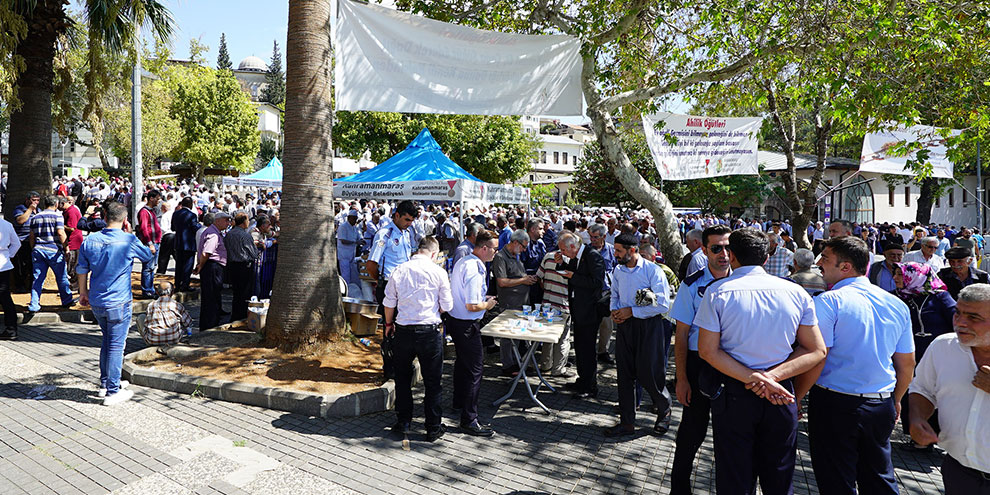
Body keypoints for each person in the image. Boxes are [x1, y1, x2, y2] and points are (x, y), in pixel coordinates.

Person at [695, 228, 826, 495]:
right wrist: (773, 378)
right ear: (767, 258)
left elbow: (708, 351)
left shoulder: (719, 292)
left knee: (735, 479)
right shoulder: (795, 292)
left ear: (731, 256)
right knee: (779, 477)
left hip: (735, 393)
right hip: (780, 393)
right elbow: (816, 350)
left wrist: (756, 379)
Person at [794, 236, 915, 495]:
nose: (819, 264)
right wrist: (896, 398)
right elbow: (906, 363)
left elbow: (818, 356)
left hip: (835, 404)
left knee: (836, 479)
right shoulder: (896, 304)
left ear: (845, 266)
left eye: (825, 259)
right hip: (879, 402)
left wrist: (797, 397)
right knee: (879, 478)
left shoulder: (828, 301)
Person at [909, 284, 990, 495]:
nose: (960, 322)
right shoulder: (943, 347)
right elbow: (922, 389)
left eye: (973, 317)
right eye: (958, 313)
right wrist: (917, 419)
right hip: (959, 474)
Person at [669, 224, 731, 495]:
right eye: (716, 248)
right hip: (698, 364)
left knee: (729, 436)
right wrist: (681, 378)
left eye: (728, 247)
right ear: (704, 250)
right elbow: (681, 335)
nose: (724, 254)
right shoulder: (692, 284)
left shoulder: (741, 282)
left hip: (731, 365)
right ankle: (679, 488)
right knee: (691, 433)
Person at [77, 202, 154, 405]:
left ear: (104, 216)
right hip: (118, 301)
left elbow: (81, 268)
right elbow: (147, 256)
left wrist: (82, 292)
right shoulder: (128, 239)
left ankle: (106, 383)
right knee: (116, 345)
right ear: (125, 219)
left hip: (97, 299)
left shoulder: (91, 240)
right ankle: (112, 390)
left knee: (107, 341)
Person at [383, 236, 453, 442]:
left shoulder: (399, 270)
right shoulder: (438, 272)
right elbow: (447, 305)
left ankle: (403, 421)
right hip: (429, 331)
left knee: (402, 379)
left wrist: (388, 325)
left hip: (404, 330)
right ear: (433, 253)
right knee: (433, 381)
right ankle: (433, 426)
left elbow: (389, 302)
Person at [603, 234, 672, 437]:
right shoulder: (618, 270)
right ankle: (627, 422)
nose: (615, 254)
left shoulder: (653, 271)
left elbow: (662, 304)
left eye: (619, 251)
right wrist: (615, 311)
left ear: (632, 251)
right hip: (625, 327)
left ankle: (664, 409)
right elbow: (614, 294)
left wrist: (632, 311)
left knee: (649, 373)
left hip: (649, 327)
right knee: (624, 375)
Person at [893, 261, 956, 440]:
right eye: (896, 274)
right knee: (911, 390)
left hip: (938, 353)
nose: (895, 278)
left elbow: (955, 320)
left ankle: (935, 434)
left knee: (935, 392)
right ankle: (916, 435)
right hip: (910, 352)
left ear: (917, 276)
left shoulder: (940, 297)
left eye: (900, 274)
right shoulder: (899, 297)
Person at [447, 230, 498, 437]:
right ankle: (469, 419)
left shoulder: (465, 261)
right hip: (466, 324)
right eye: (494, 248)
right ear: (484, 248)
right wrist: (488, 304)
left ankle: (459, 403)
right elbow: (472, 305)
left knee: (463, 364)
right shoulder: (474, 267)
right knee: (475, 370)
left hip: (456, 321)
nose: (496, 252)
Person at [559, 231, 606, 398]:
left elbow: (597, 283)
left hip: (590, 310)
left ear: (573, 246)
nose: (562, 253)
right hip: (579, 309)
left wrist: (573, 276)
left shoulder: (592, 256)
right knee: (580, 347)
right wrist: (563, 265)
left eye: (563, 250)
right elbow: (571, 274)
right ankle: (583, 379)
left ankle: (590, 386)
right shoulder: (577, 256)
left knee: (587, 349)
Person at [492, 229, 536, 375]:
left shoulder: (515, 255)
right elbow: (502, 282)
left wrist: (527, 278)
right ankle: (507, 365)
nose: (524, 250)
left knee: (517, 335)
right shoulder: (500, 257)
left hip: (521, 302)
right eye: (523, 246)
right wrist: (524, 280)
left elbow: (517, 275)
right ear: (515, 242)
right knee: (507, 336)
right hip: (509, 303)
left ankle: (516, 362)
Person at [367, 200, 417, 314]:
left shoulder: (406, 233)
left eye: (412, 221)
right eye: (407, 220)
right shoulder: (384, 234)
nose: (409, 223)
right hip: (388, 284)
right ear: (397, 215)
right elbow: (371, 265)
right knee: (389, 322)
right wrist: (381, 281)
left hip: (404, 284)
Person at [27, 195, 74, 312]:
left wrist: (33, 248)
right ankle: (67, 300)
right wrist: (66, 248)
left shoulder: (35, 217)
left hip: (38, 249)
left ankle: (34, 303)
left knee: (38, 278)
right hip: (54, 251)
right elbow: (60, 233)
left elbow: (31, 235)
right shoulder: (58, 216)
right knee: (61, 277)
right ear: (56, 204)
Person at [536, 247, 574, 378]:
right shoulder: (572, 260)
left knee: (548, 337)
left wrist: (548, 287)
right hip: (564, 304)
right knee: (563, 339)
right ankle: (558, 369)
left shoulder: (548, 256)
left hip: (547, 302)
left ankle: (545, 365)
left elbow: (539, 277)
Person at [194, 211, 230, 331]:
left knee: (212, 296)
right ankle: (210, 324)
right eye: (226, 220)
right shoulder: (213, 234)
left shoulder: (213, 232)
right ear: (218, 221)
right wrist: (200, 265)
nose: (228, 223)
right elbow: (206, 253)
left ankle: (210, 322)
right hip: (212, 267)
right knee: (211, 297)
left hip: (212, 267)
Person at [589, 223, 618, 365]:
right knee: (590, 323)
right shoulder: (586, 250)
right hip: (590, 292)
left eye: (596, 237)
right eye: (591, 237)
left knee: (607, 325)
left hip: (606, 292)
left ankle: (603, 351)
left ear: (604, 236)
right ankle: (589, 351)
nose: (593, 240)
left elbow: (616, 269)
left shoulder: (611, 251)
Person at [224, 211, 257, 322]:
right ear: (243, 222)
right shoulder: (245, 235)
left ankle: (236, 315)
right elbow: (254, 253)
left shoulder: (229, 234)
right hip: (244, 266)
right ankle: (242, 316)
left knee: (236, 292)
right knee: (244, 293)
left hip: (233, 265)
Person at [142, 281, 192, 348]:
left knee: (141, 317)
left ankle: (151, 339)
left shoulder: (151, 306)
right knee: (181, 320)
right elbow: (188, 322)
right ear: (172, 292)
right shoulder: (176, 305)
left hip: (153, 340)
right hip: (174, 339)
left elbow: (146, 323)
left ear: (157, 292)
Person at [136, 189, 163, 299]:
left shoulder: (152, 211)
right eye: (157, 198)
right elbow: (144, 229)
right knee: (148, 268)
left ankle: (150, 289)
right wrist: (150, 244)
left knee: (152, 268)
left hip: (156, 242)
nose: (158, 201)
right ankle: (147, 291)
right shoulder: (144, 212)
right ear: (151, 198)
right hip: (150, 244)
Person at [171, 197, 202, 292]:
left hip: (178, 242)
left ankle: (177, 284)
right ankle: (185, 284)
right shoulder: (192, 215)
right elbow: (195, 228)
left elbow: (172, 228)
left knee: (179, 265)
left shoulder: (175, 214)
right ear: (190, 204)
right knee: (188, 265)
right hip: (189, 243)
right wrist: (200, 226)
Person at [12, 192, 40, 293]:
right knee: (21, 265)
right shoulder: (20, 209)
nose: (36, 202)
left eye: (37, 200)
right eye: (34, 200)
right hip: (22, 241)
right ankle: (20, 286)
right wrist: (30, 210)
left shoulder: (39, 210)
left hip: (35, 241)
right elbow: (20, 220)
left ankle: (32, 285)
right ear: (27, 200)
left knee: (32, 264)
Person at [0, 216, 21, 340]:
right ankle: (11, 329)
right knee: (5, 297)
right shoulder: (7, 224)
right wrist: (9, 255)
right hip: (4, 264)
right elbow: (16, 243)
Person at [60, 196, 84, 291]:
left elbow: (72, 228)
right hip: (72, 241)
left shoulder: (71, 211)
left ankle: (75, 285)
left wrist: (60, 225)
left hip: (74, 242)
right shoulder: (67, 211)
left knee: (72, 264)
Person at [337, 209, 361, 288]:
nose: (355, 220)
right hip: (344, 256)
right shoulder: (343, 227)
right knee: (346, 276)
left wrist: (361, 240)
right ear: (349, 218)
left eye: (356, 219)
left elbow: (358, 237)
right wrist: (355, 242)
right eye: (354, 218)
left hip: (352, 256)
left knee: (353, 276)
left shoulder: (354, 228)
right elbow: (343, 240)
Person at [156, 199, 176, 277]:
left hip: (167, 236)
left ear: (164, 208)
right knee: (176, 255)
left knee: (163, 257)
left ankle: (161, 272)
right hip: (175, 235)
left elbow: (163, 228)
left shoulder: (164, 216)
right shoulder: (174, 214)